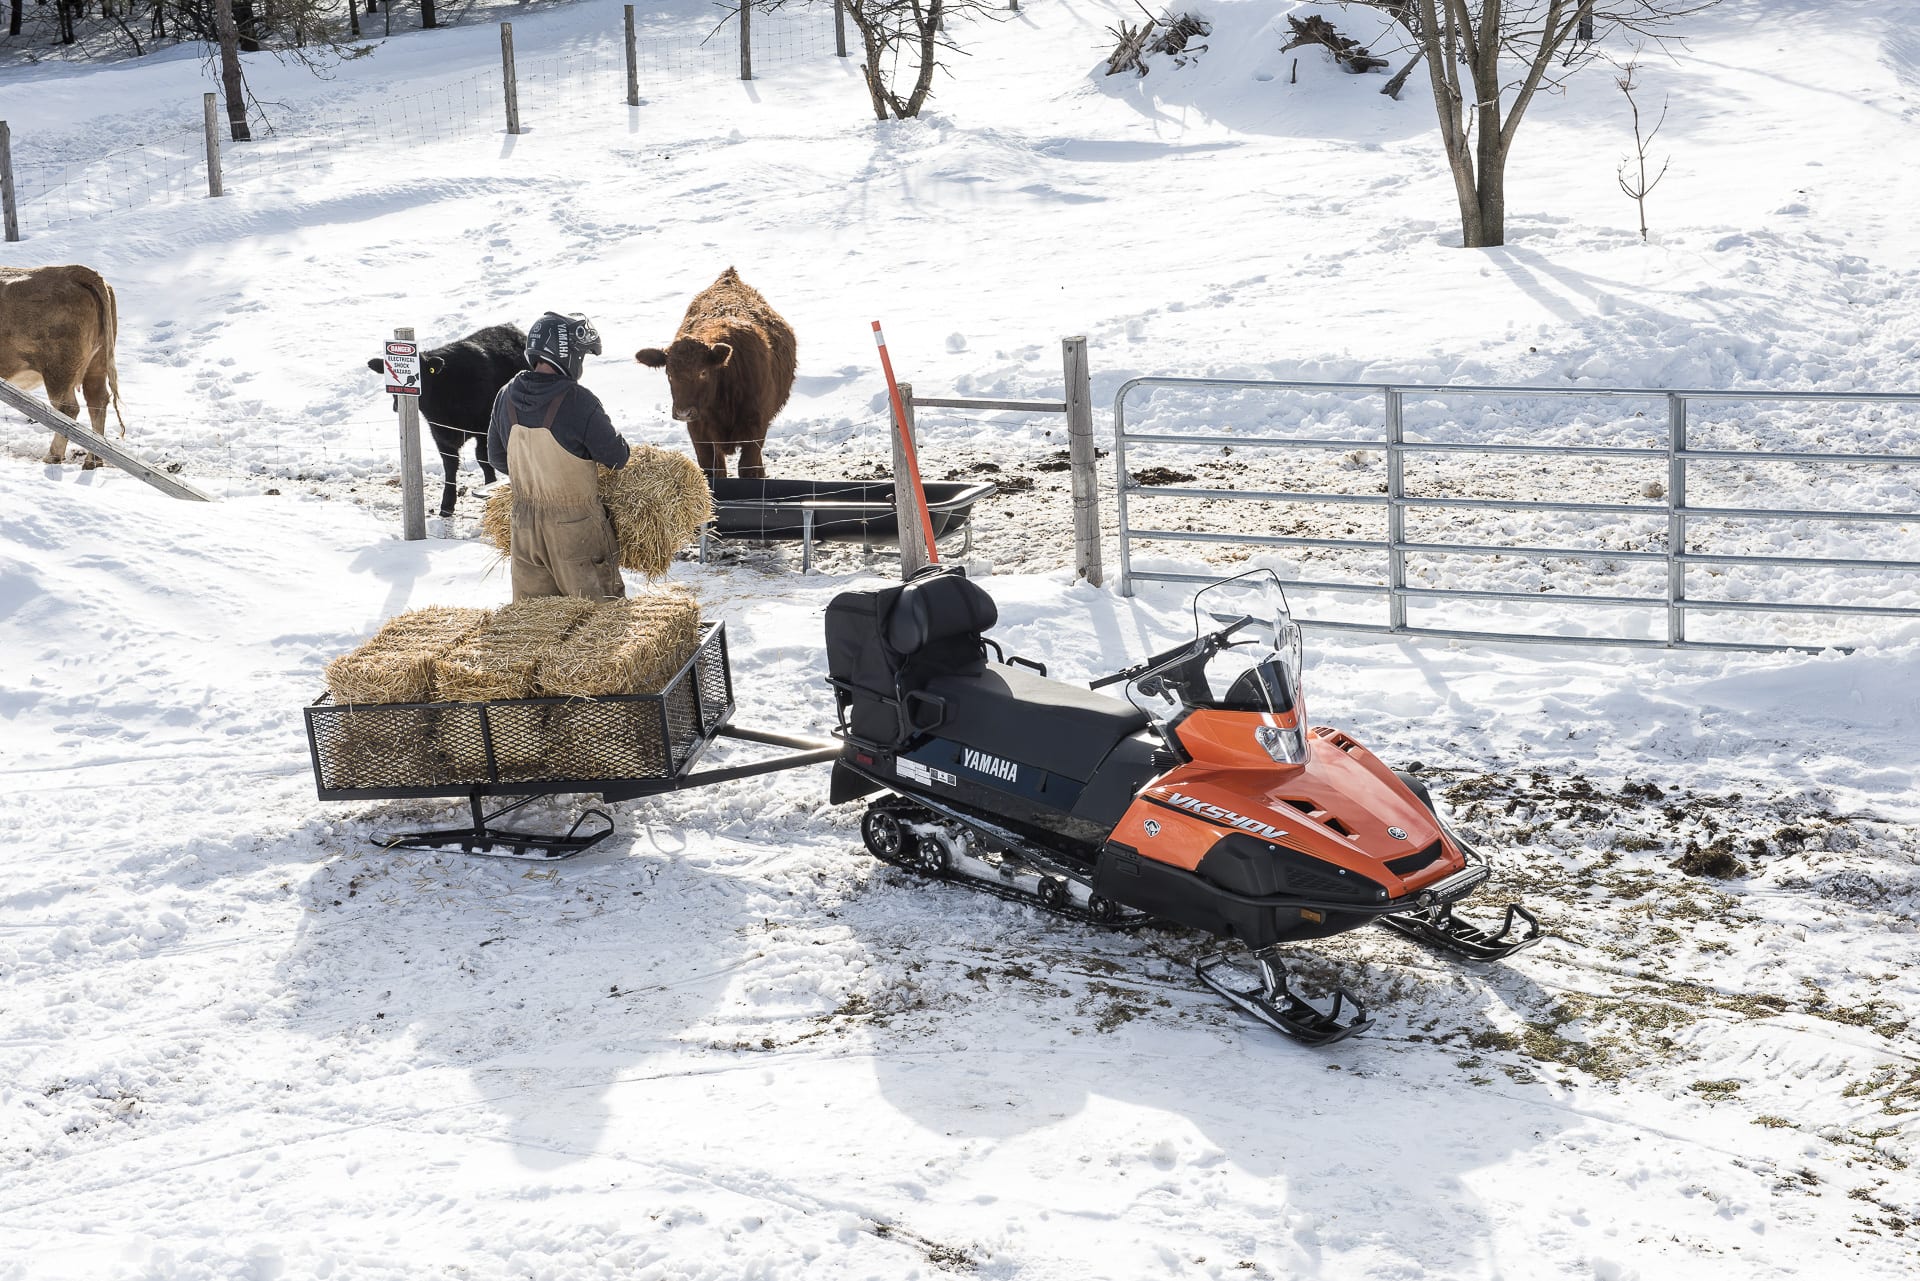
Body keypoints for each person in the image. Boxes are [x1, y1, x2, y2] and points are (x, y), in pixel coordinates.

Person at [486, 311, 632, 601]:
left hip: (524, 528)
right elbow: (617, 457)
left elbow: (497, 458)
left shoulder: (506, 394)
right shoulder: (579, 401)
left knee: (536, 627)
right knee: (599, 622)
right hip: (575, 529)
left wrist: (535, 475)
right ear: (568, 356)